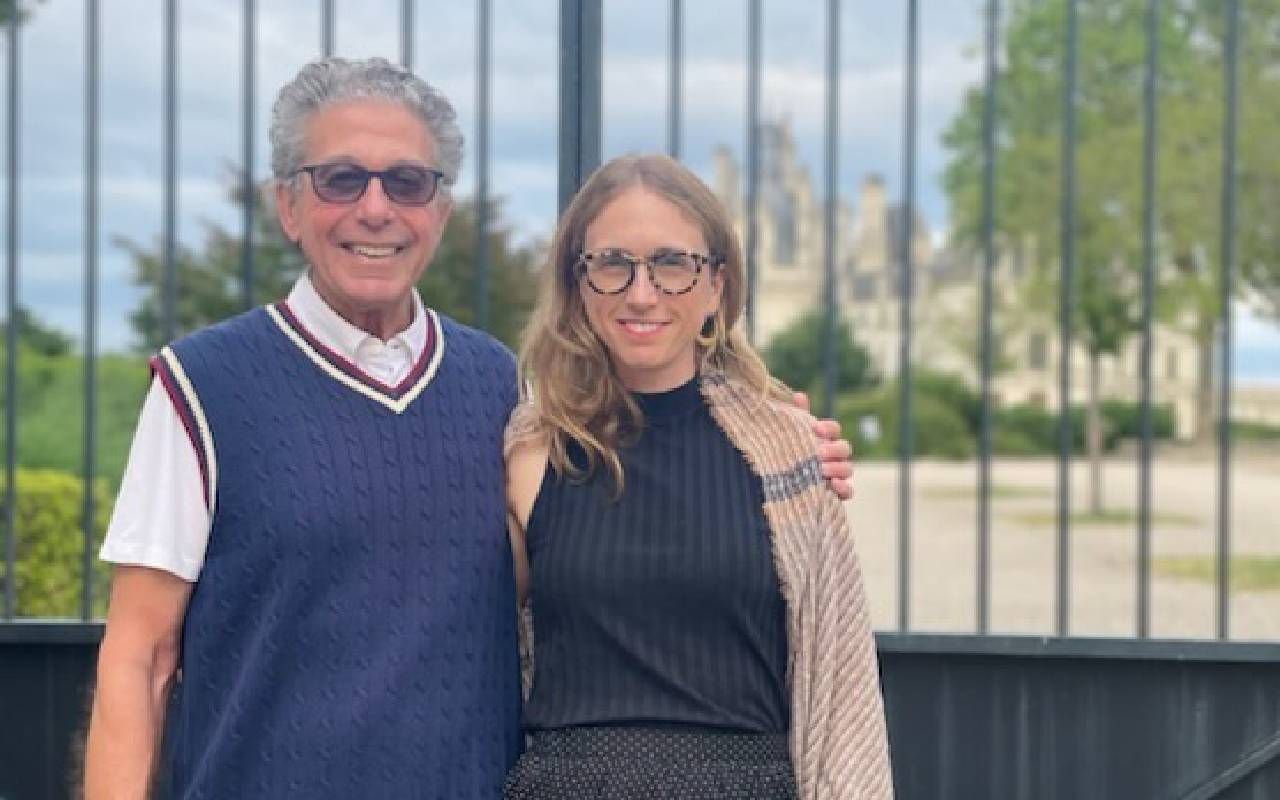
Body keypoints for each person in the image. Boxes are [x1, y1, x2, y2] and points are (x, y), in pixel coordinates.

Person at [83, 58, 856, 798]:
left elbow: (654, 450)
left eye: (408, 182)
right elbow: (140, 658)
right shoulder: (202, 387)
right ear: (288, 204)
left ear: (440, 212)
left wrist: (768, 430)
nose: (376, 208)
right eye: (341, 179)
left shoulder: (506, 396)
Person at [503, 154, 893, 799]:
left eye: (672, 264)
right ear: (577, 284)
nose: (642, 292)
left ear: (717, 286)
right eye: (612, 264)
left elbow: (841, 684)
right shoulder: (530, 453)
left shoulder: (788, 459)